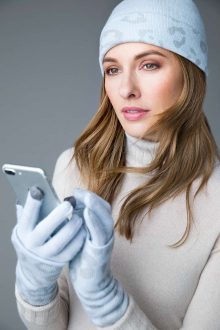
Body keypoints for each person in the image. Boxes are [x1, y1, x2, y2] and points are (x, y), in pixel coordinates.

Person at [11, 0, 220, 329]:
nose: (126, 89)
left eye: (149, 65)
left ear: (190, 72)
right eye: (112, 69)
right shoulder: (75, 166)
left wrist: (107, 303)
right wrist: (35, 285)